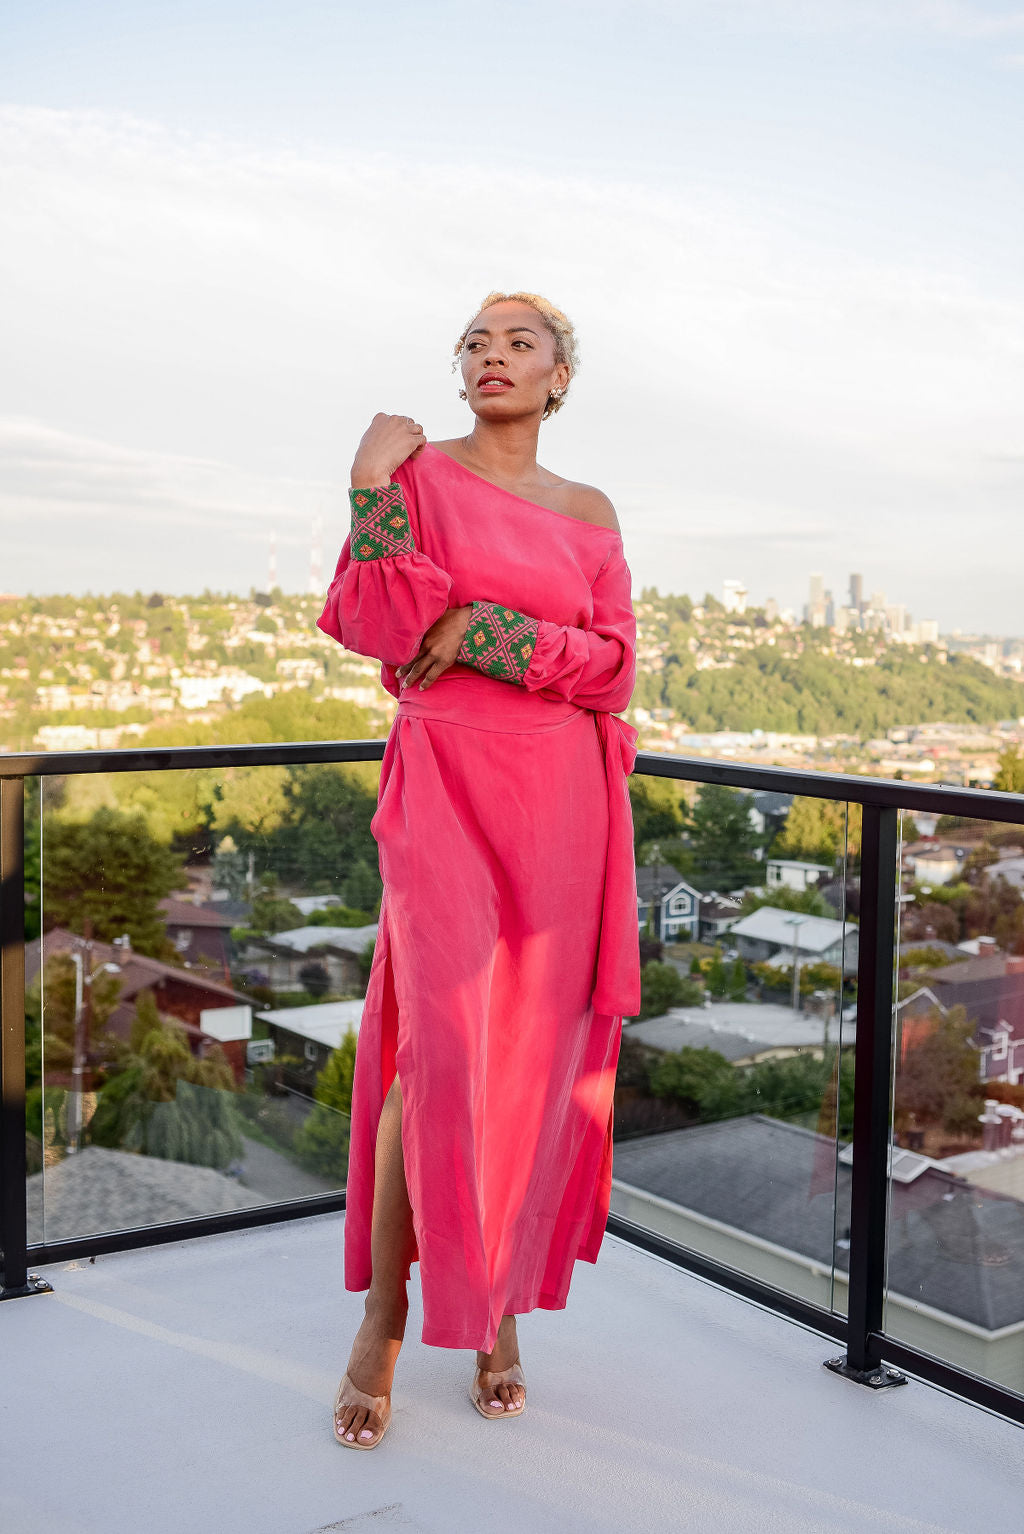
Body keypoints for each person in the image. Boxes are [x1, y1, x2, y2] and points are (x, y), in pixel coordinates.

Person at [317, 290, 640, 1449]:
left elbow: (613, 669)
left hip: (561, 804)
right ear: (458, 375)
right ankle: (388, 1310)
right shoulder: (414, 476)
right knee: (442, 1051)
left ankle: (498, 1301)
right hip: (444, 783)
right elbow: (382, 625)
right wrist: (366, 482)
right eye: (474, 343)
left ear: (560, 377)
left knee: (529, 1066)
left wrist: (492, 633)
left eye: (520, 343)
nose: (492, 355)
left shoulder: (590, 509)